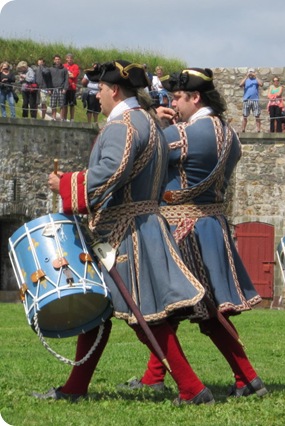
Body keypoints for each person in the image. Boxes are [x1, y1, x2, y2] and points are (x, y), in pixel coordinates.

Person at [35, 60, 218, 406]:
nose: (97, 96)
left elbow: (111, 171)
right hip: (139, 224)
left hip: (127, 232)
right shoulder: (148, 121)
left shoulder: (124, 124)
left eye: (101, 89)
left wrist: (66, 184)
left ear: (115, 90)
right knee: (101, 313)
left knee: (146, 316)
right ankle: (74, 388)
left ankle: (193, 389)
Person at [120, 67, 267, 398]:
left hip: (183, 229)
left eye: (177, 98)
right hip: (212, 224)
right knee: (180, 309)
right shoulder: (231, 135)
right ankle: (154, 377)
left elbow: (145, 152)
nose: (173, 103)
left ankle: (247, 378)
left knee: (181, 308)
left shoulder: (182, 134)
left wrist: (154, 121)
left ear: (195, 97)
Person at [239, 68, 262, 132]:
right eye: (250, 72)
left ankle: (258, 129)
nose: (251, 74)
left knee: (257, 115)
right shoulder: (246, 80)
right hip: (247, 100)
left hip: (255, 100)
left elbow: (261, 84)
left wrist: (255, 76)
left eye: (252, 72)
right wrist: (246, 76)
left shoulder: (256, 80)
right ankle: (243, 129)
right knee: (245, 115)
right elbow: (240, 85)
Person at [49, 55, 69, 121]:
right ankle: (53, 118)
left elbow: (66, 79)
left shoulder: (64, 69)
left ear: (60, 60)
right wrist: (49, 89)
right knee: (53, 104)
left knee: (62, 105)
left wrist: (65, 88)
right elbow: (48, 79)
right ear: (54, 60)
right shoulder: (51, 69)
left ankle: (61, 118)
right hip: (53, 89)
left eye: (58, 59)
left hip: (61, 89)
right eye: (56, 59)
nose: (57, 60)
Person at [61, 53, 80, 122]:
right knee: (64, 104)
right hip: (65, 88)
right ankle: (64, 118)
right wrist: (69, 74)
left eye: (71, 58)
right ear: (66, 59)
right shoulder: (63, 66)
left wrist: (67, 74)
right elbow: (62, 75)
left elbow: (74, 75)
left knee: (72, 104)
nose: (69, 60)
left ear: (72, 59)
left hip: (72, 87)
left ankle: (72, 118)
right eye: (68, 58)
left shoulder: (75, 66)